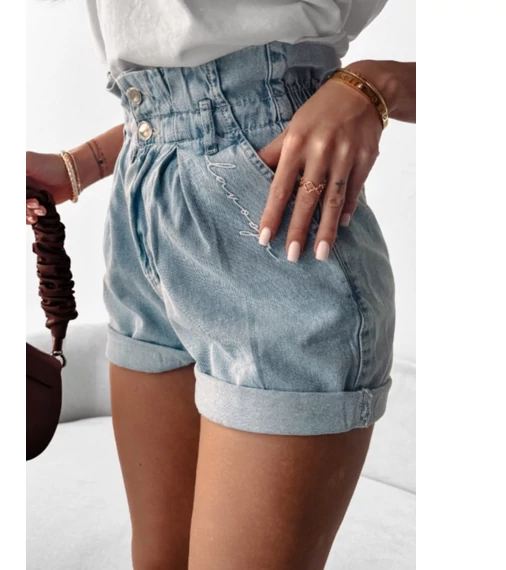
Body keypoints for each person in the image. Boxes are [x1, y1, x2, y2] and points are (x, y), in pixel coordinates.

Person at [26, 1, 416, 568]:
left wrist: (378, 85)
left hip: (279, 239)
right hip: (142, 213)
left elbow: (235, 95)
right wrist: (81, 163)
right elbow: (188, 82)